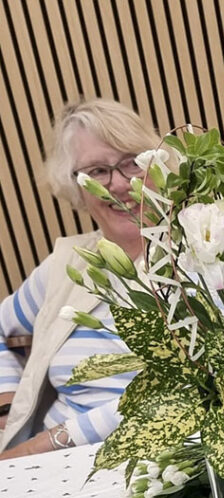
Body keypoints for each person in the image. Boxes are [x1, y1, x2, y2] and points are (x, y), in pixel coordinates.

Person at [0, 98, 160, 459]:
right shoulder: (66, 265)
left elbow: (176, 392)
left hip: (157, 463)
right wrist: (7, 408)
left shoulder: (202, 254)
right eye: (97, 172)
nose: (118, 185)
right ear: (76, 187)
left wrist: (42, 445)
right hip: (51, 467)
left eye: (132, 162)